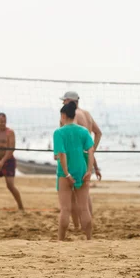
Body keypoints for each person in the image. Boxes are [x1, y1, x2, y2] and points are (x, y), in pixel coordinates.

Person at [60, 91, 102, 230]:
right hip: (85, 155)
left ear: (69, 101)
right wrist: (91, 151)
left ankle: (78, 226)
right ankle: (87, 224)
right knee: (84, 194)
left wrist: (62, 154)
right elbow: (98, 133)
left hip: (74, 156)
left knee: (71, 193)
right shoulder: (87, 114)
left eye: (63, 101)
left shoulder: (71, 116)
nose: (62, 104)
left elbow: (71, 136)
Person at [54, 101, 95, 241]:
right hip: (82, 170)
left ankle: (61, 239)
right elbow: (91, 150)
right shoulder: (83, 131)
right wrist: (89, 170)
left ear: (63, 115)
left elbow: (62, 154)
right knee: (84, 208)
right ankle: (89, 238)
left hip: (65, 172)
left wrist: (66, 174)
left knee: (65, 209)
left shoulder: (59, 132)